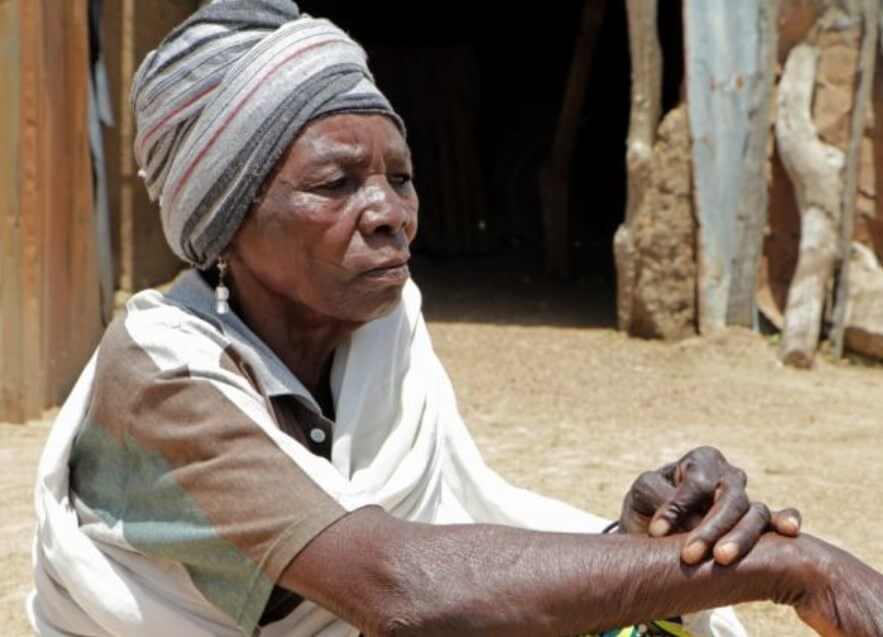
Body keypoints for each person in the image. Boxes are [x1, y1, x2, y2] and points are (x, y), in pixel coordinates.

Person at [29, 2, 883, 636]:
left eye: (398, 178)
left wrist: (637, 536)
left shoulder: (379, 330)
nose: (388, 211)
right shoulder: (165, 376)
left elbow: (446, 545)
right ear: (225, 223)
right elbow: (403, 589)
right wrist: (777, 565)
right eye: (336, 184)